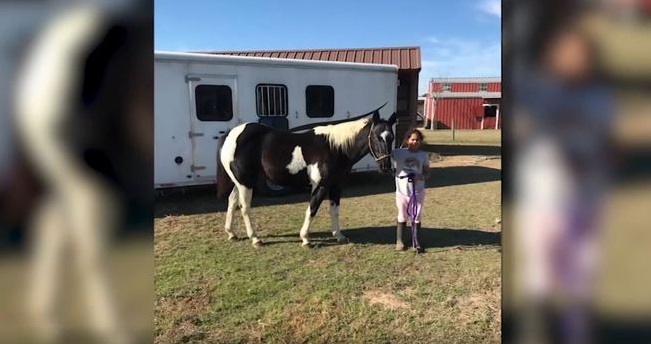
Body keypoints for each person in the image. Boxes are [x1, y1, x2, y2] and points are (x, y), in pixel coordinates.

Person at [391, 129, 430, 253]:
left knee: (416, 216)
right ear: (408, 140)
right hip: (402, 192)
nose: (415, 142)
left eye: (417, 140)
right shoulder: (398, 153)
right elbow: (384, 155)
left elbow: (427, 172)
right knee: (402, 215)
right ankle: (400, 241)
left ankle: (416, 241)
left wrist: (421, 177)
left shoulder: (423, 155)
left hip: (418, 191)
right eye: (412, 139)